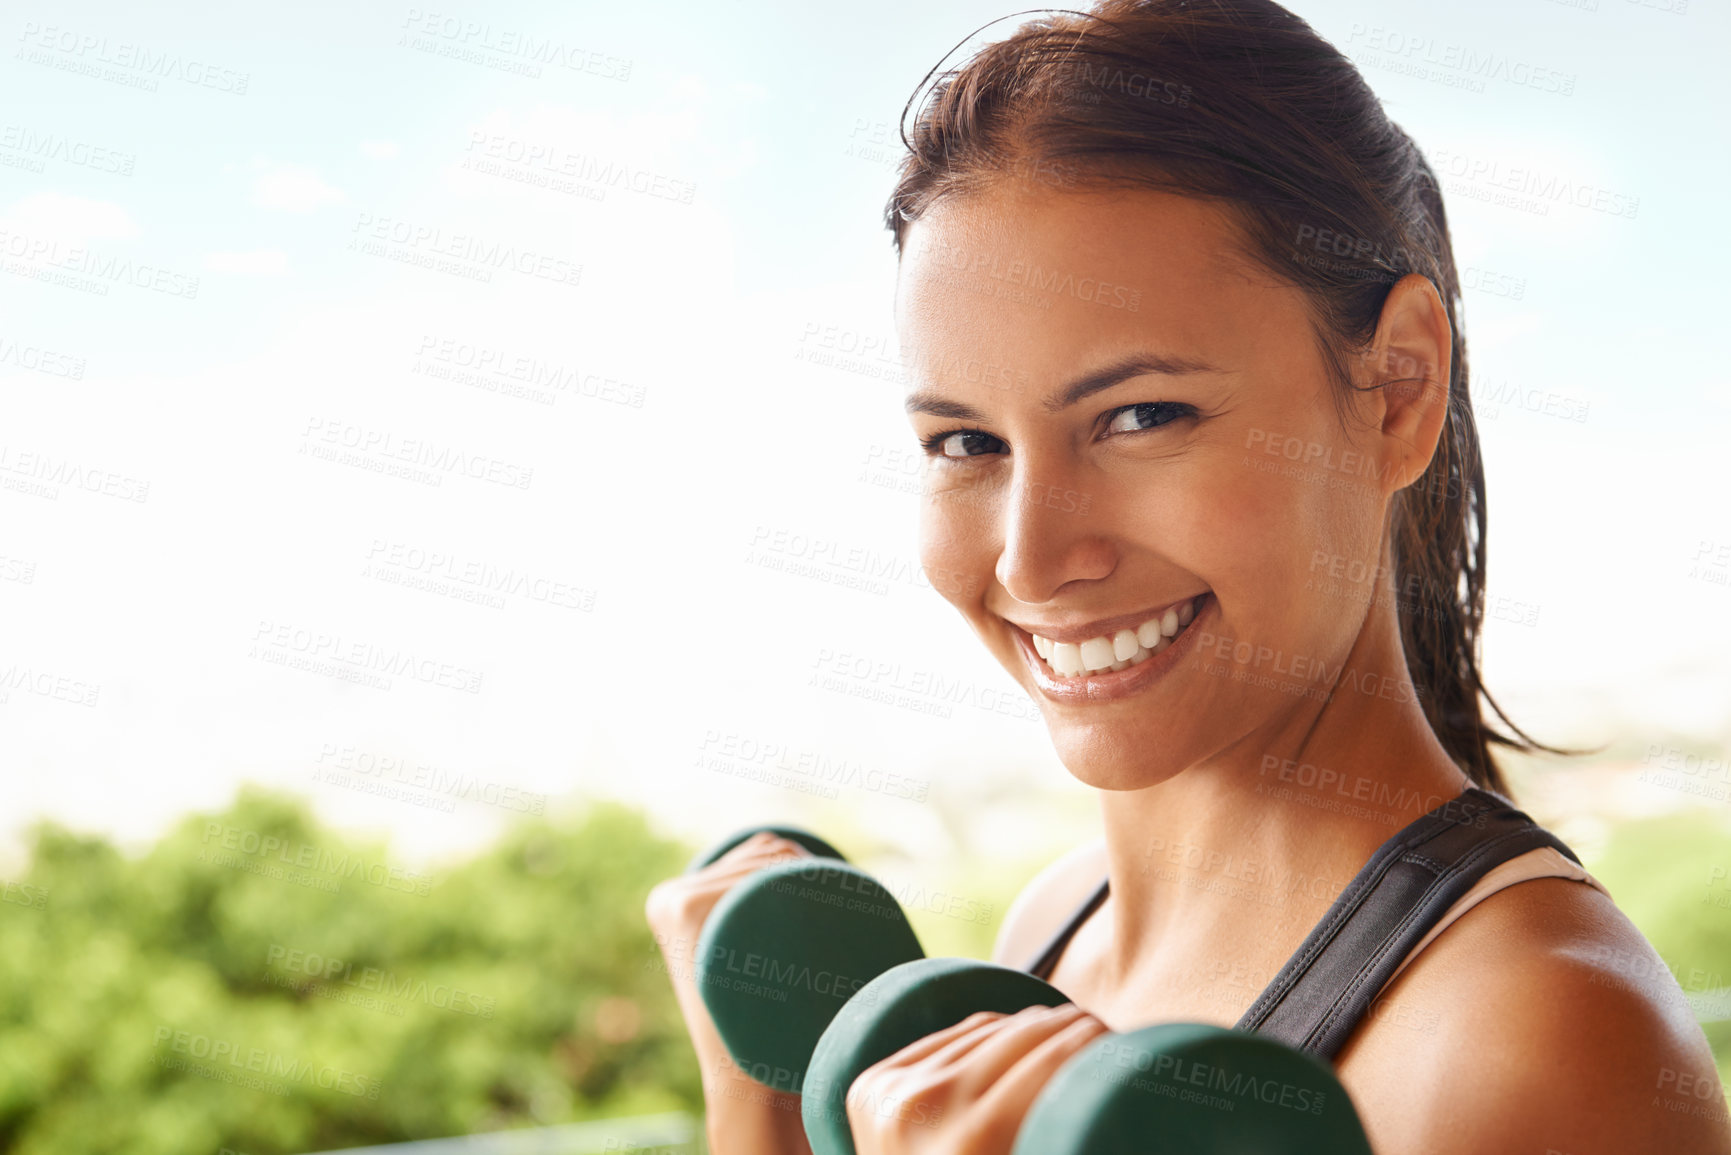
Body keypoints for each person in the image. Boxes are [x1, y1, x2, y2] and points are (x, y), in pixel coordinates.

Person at [647, 2, 1731, 1151]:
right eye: (966, 442)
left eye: (1141, 415)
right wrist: (758, 1101)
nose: (1030, 556)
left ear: (1398, 390)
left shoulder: (1535, 1039)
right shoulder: (1062, 925)